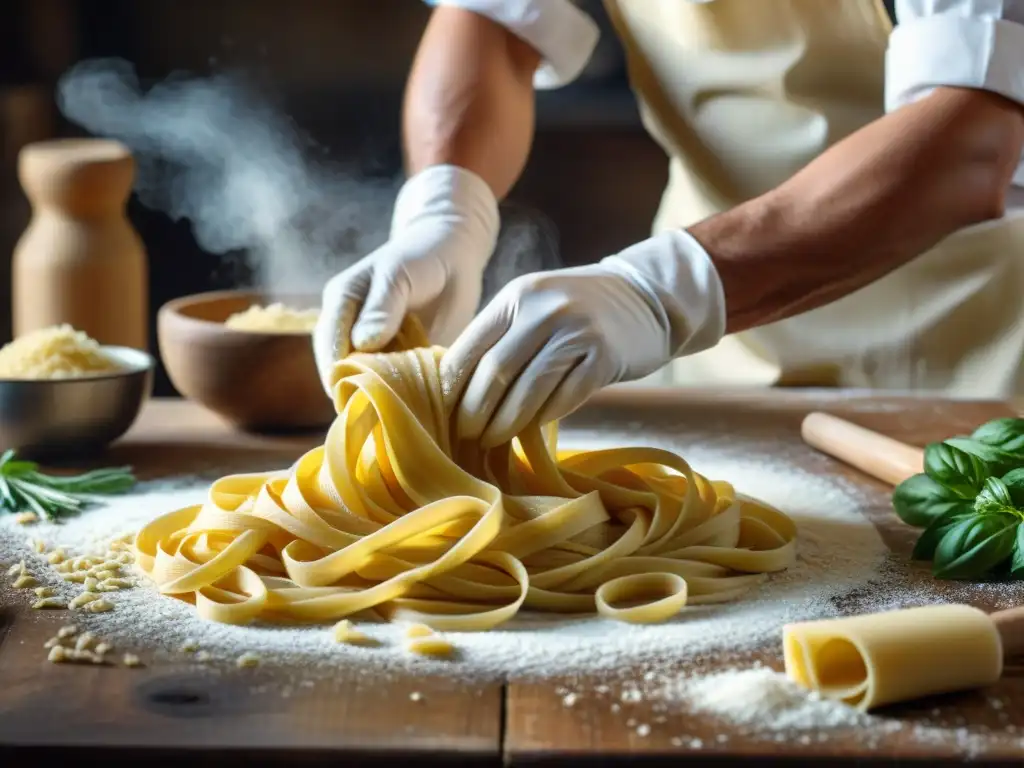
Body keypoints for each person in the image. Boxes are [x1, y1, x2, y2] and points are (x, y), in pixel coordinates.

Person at [313, 0, 1024, 448]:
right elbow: (491, 23)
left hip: (976, 367)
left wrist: (659, 292)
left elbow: (973, 135)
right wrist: (446, 208)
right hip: (714, 363)